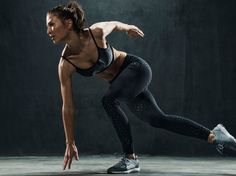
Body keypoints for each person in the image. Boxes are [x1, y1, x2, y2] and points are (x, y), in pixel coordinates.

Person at [46, 0, 236, 174]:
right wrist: (69, 141)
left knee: (109, 100)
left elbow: (114, 23)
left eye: (51, 24)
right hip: (123, 85)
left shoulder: (96, 33)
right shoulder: (66, 64)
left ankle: (130, 158)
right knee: (158, 119)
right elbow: (68, 106)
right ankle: (214, 136)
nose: (49, 30)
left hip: (135, 69)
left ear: (68, 23)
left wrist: (128, 27)